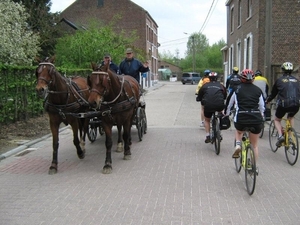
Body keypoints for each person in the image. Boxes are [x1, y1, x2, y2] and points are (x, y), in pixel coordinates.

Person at [225, 69, 264, 173]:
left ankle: (238, 144)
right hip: (256, 119)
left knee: (239, 131)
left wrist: (226, 113)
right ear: (253, 79)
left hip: (241, 117)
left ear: (242, 79)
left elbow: (230, 103)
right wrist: (262, 115)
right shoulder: (258, 90)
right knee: (254, 145)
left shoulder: (237, 89)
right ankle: (254, 167)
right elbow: (262, 106)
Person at [266, 62, 300, 146]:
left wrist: (268, 100)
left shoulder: (279, 80)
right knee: (291, 117)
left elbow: (273, 93)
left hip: (284, 104)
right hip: (296, 104)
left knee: (277, 119)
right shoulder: (297, 81)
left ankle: (281, 136)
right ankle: (290, 135)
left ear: (282, 70)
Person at [197, 72, 227, 143]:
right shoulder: (221, 86)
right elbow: (225, 96)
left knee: (207, 120)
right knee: (221, 114)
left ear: (209, 78)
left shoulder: (205, 86)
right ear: (217, 78)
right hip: (219, 105)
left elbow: (200, 95)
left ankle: (208, 136)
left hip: (208, 105)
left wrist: (198, 99)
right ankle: (219, 131)